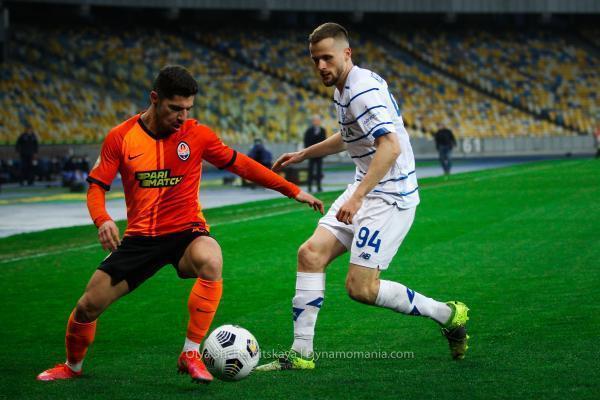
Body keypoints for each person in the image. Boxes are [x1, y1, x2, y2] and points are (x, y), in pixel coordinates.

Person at [37, 65, 323, 383]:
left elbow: (240, 164)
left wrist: (292, 190)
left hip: (186, 233)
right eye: (175, 108)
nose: (182, 116)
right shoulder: (121, 137)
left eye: (188, 108)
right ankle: (72, 367)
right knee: (87, 306)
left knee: (211, 259)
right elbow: (96, 187)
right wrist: (102, 219)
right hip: (141, 239)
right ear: (154, 98)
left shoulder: (197, 134)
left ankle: (190, 353)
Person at [256, 23, 469, 372]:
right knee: (310, 254)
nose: (321, 66)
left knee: (361, 288)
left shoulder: (361, 91)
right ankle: (301, 354)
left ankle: (448, 314)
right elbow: (350, 135)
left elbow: (390, 146)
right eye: (315, 60)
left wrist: (357, 198)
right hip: (367, 187)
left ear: (346, 53)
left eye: (327, 58)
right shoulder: (345, 89)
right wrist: (305, 153)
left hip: (389, 197)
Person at [303, 115, 327, 192]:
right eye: (315, 121)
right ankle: (309, 186)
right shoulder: (309, 131)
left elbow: (324, 142)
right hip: (311, 154)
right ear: (313, 122)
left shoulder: (322, 130)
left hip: (319, 154)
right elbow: (306, 141)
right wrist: (308, 152)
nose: (317, 122)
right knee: (310, 170)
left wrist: (323, 152)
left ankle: (319, 186)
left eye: (318, 121)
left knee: (319, 171)